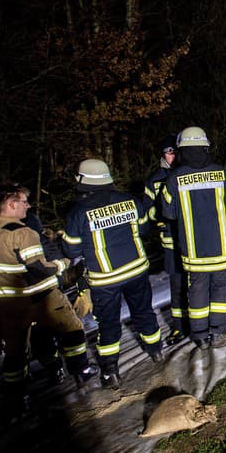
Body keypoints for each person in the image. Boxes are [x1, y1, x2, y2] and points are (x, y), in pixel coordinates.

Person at [0, 184, 96, 413]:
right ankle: (81, 371)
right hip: (42, 298)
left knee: (15, 353)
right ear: (11, 204)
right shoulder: (23, 233)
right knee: (73, 331)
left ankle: (17, 398)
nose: (27, 206)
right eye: (23, 202)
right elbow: (38, 269)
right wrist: (64, 264)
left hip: (7, 305)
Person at [63, 159, 163, 388]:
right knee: (144, 312)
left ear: (82, 180)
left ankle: (111, 372)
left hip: (104, 279)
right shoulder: (129, 200)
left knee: (108, 324)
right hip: (137, 269)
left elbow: (70, 249)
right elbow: (145, 227)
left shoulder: (78, 212)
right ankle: (156, 352)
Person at [161, 127, 226, 349]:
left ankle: (199, 336)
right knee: (221, 289)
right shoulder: (222, 173)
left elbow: (167, 213)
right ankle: (218, 331)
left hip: (193, 252)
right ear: (206, 147)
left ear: (181, 151)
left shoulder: (174, 179)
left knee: (196, 291)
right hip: (223, 248)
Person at [144, 134, 189, 345]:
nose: (174, 155)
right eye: (169, 152)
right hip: (172, 242)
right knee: (178, 285)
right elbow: (148, 213)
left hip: (194, 239)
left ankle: (213, 319)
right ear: (162, 156)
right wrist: (164, 213)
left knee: (201, 280)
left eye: (176, 151)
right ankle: (180, 327)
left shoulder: (189, 172)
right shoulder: (154, 181)